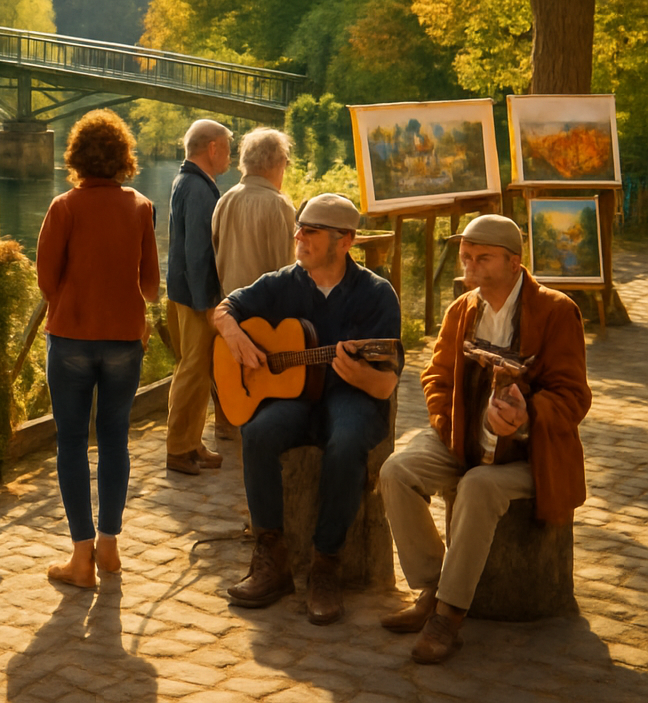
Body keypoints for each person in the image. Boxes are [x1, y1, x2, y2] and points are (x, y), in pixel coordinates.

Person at [379, 215, 590, 663]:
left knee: (477, 487)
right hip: (463, 442)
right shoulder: (462, 309)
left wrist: (525, 415)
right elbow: (436, 375)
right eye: (466, 255)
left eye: (483, 257)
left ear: (514, 263)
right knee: (397, 470)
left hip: (533, 456)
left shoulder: (556, 311)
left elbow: (573, 398)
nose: (470, 265)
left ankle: (448, 619)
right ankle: (433, 586)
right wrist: (449, 428)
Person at [212, 193, 402, 624]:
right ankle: (271, 556)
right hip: (295, 398)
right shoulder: (283, 281)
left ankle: (326, 562)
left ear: (345, 241)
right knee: (256, 432)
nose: (299, 237)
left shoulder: (376, 294)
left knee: (347, 441)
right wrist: (235, 337)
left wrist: (355, 374)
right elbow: (224, 309)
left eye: (311, 232)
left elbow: (387, 381)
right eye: (299, 228)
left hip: (352, 398)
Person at [34, 109, 160, 587]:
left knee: (71, 443)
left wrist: (76, 294)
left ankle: (80, 557)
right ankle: (109, 545)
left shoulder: (64, 207)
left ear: (77, 157)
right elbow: (150, 288)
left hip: (70, 337)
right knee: (114, 440)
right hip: (125, 341)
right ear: (123, 158)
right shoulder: (142, 207)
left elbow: (46, 280)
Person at [165, 118, 232, 475]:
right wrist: (208, 304)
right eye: (227, 149)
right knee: (193, 369)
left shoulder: (187, 181)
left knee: (195, 369)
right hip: (195, 297)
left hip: (182, 291)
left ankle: (191, 441)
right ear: (213, 148)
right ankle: (178, 449)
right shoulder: (199, 188)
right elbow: (197, 252)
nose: (229, 158)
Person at [211, 128, 295, 296]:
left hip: (230, 306)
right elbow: (287, 268)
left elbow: (217, 254)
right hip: (265, 311)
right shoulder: (279, 205)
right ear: (279, 162)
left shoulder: (225, 200)